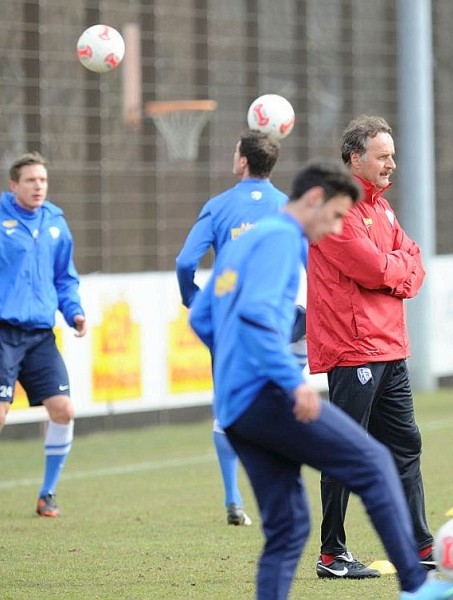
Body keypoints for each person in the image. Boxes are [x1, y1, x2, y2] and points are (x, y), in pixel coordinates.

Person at [188, 161, 453, 600]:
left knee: (288, 530)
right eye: (337, 215)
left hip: (233, 408)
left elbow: (201, 316)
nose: (338, 226)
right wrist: (291, 382)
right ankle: (416, 587)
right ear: (313, 200)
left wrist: (232, 364)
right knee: (374, 462)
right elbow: (257, 318)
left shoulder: (249, 241)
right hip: (265, 399)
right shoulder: (283, 241)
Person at [305, 115, 434, 579]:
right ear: (355, 158)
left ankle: (419, 545)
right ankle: (331, 554)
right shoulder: (334, 210)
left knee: (406, 444)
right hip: (354, 347)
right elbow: (373, 269)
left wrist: (394, 268)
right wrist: (395, 269)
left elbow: (412, 262)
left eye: (392, 156)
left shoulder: (382, 209)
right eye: (383, 156)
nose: (391, 164)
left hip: (390, 345)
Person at [176, 129, 288, 527]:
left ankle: (233, 498)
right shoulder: (286, 208)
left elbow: (185, 261)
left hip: (228, 319)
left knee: (228, 406)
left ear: (242, 161)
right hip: (274, 320)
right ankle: (275, 496)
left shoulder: (219, 206)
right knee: (278, 403)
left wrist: (193, 298)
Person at [0, 151, 87, 521]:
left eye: (43, 181)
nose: (39, 186)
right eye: (31, 180)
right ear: (13, 186)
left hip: (40, 336)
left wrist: (74, 312)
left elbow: (64, 277)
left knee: (64, 410)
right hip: (1, 334)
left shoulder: (55, 223)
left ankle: (47, 495)